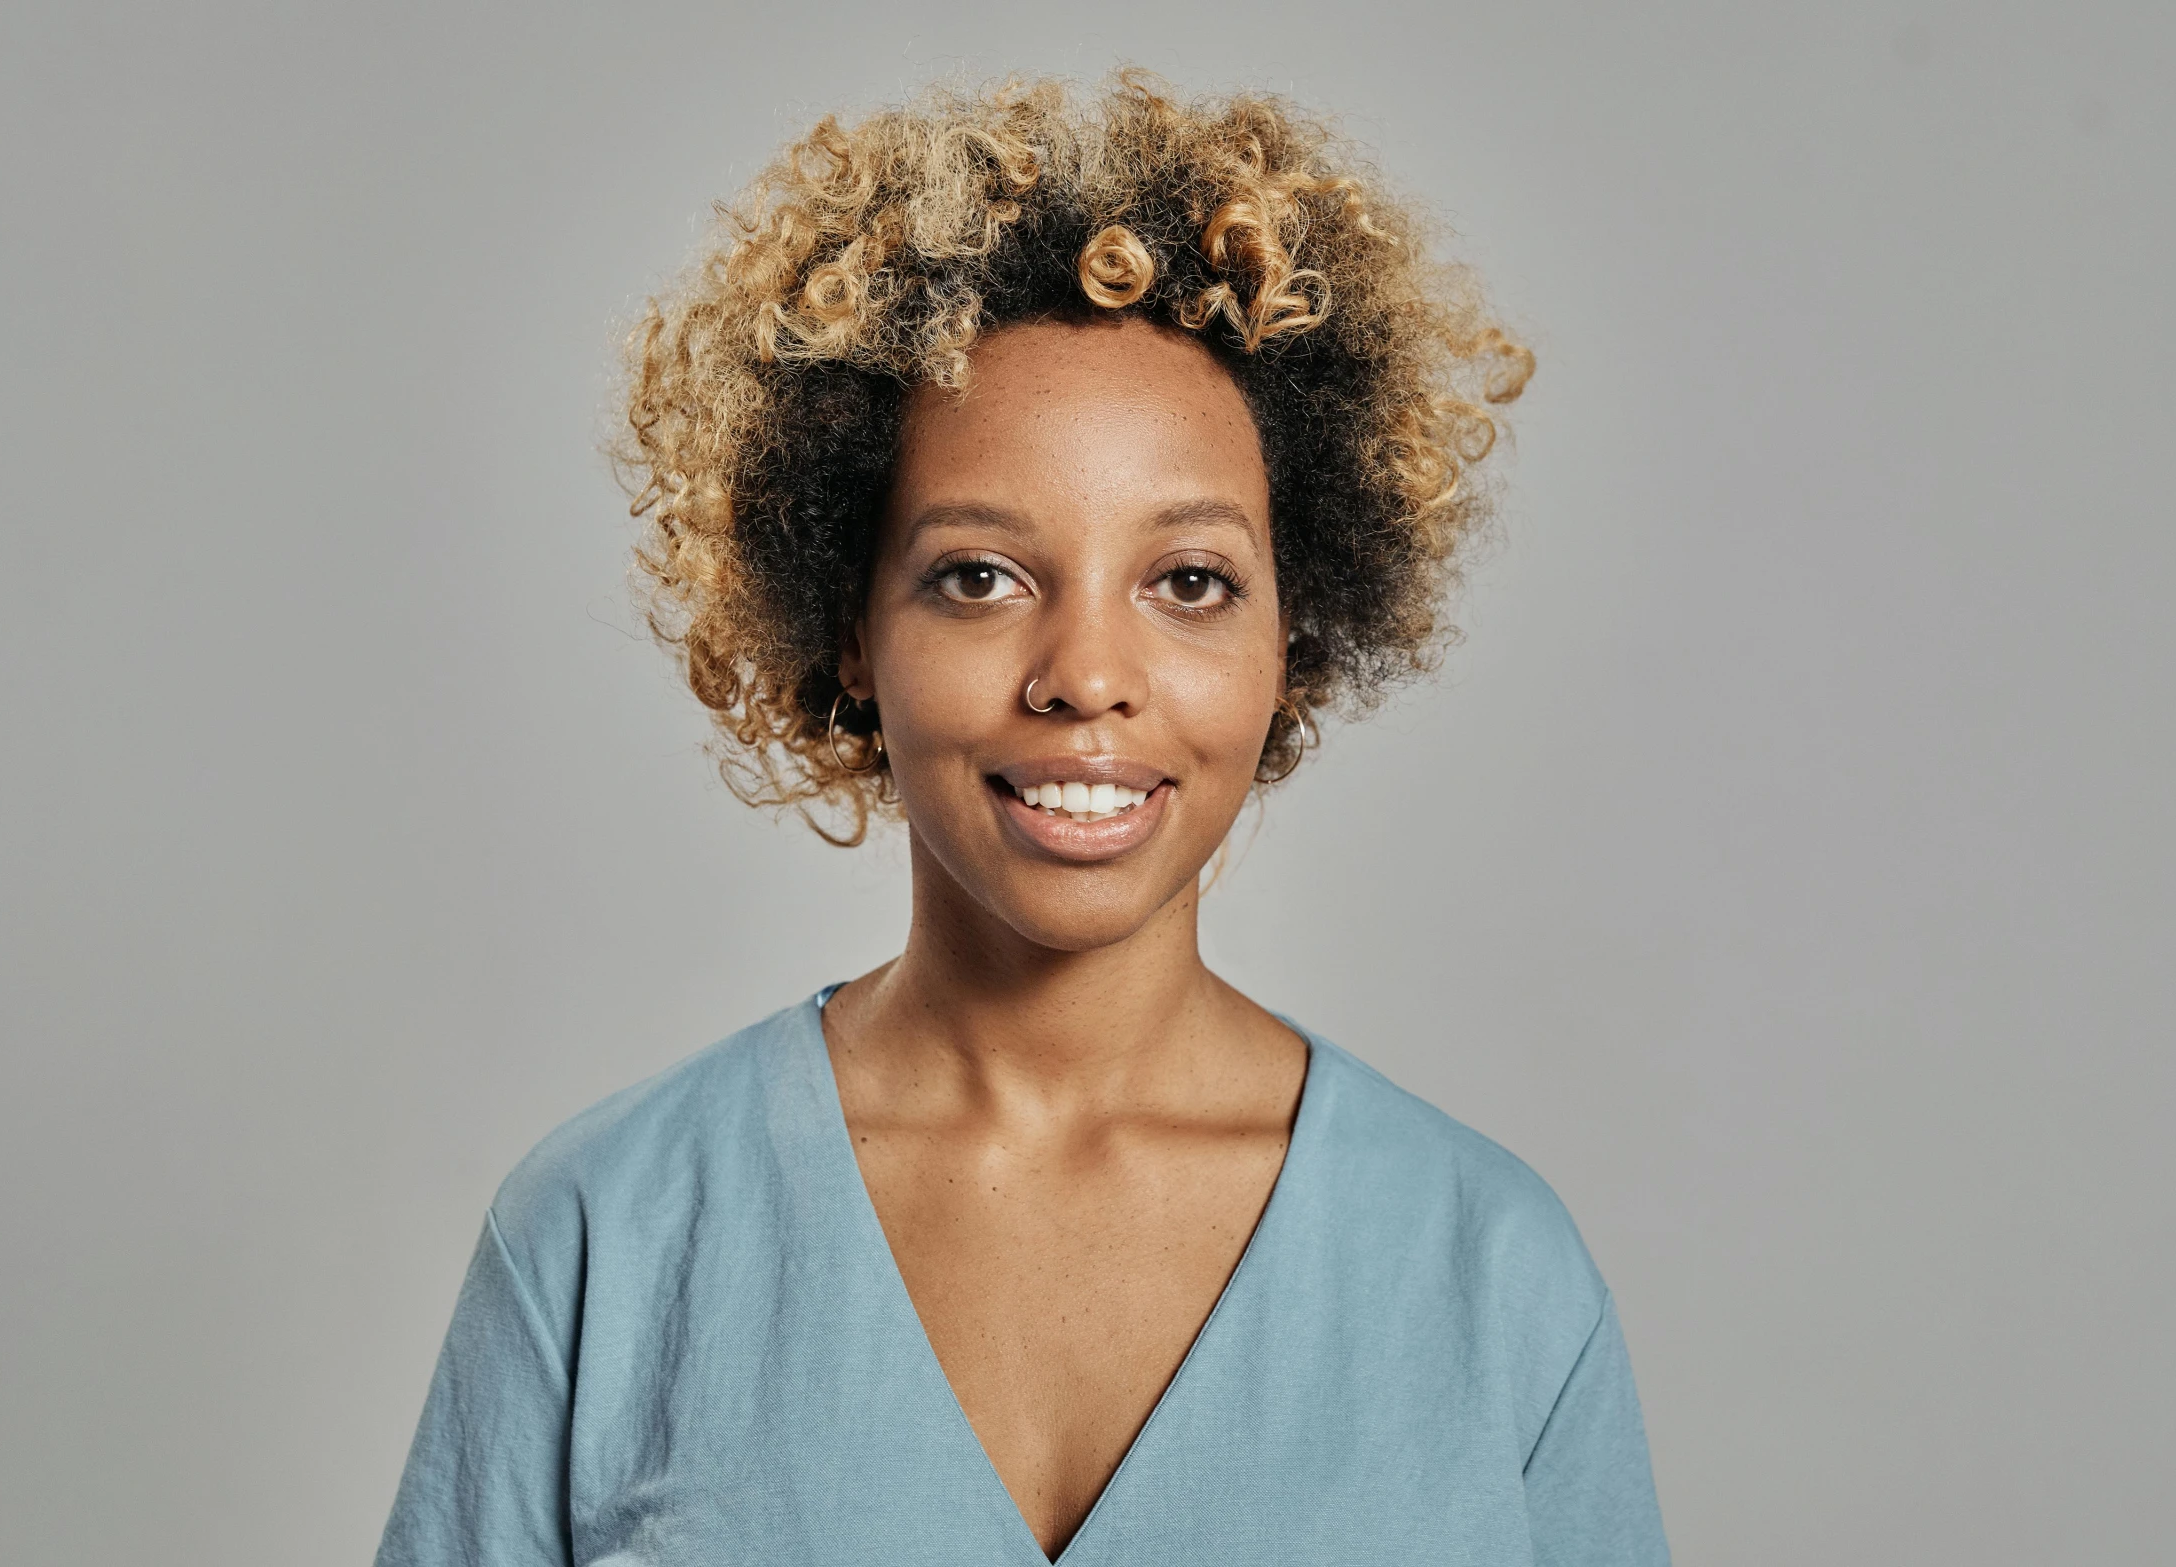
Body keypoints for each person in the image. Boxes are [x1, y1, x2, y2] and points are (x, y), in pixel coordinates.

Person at [377, 72, 1670, 1567]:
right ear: (850, 630)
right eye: (979, 577)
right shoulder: (606, 1237)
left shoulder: (1492, 1275)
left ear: (1290, 637)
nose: (1088, 680)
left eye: (1187, 582)